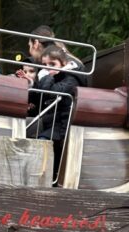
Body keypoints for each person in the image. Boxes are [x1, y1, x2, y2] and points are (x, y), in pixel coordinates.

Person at [36, 44, 85, 178]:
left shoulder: (72, 78)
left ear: (63, 64)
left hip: (63, 126)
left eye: (52, 64)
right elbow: (39, 96)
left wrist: (46, 77)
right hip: (50, 122)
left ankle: (44, 177)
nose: (48, 68)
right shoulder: (53, 76)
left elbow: (51, 92)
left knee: (42, 142)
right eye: (45, 65)